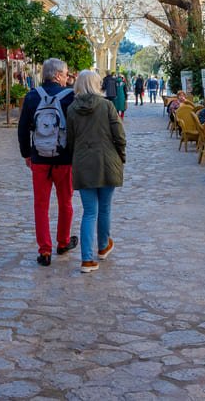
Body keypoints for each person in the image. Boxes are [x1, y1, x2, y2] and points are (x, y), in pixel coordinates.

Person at [17, 58, 78, 267]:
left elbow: (23, 128)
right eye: (66, 74)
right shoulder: (70, 96)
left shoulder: (32, 96)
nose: (67, 77)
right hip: (64, 159)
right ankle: (63, 242)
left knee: (41, 205)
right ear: (58, 75)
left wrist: (27, 154)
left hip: (39, 158)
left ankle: (44, 250)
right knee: (65, 202)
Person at [67, 69, 127, 273]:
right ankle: (102, 246)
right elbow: (119, 135)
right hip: (107, 161)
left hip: (84, 164)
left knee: (89, 212)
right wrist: (121, 156)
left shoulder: (72, 109)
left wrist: (74, 159)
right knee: (105, 208)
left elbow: (70, 140)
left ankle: (86, 259)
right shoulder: (107, 105)